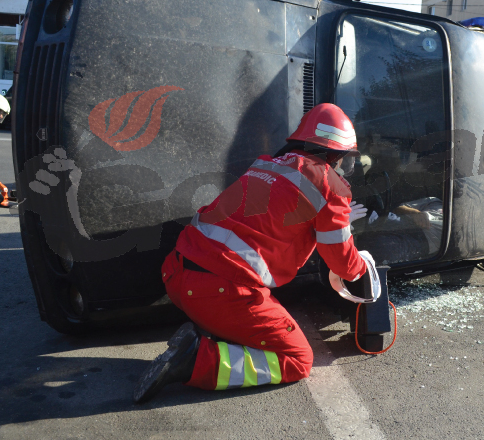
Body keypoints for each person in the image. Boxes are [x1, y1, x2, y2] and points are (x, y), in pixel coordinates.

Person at [134, 103, 373, 403]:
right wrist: (363, 268)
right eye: (345, 161)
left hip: (177, 276)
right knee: (298, 359)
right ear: (334, 154)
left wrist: (335, 222)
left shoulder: (267, 165)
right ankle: (195, 360)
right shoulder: (330, 185)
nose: (343, 169)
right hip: (219, 291)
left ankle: (211, 333)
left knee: (236, 309)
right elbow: (343, 263)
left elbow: (270, 223)